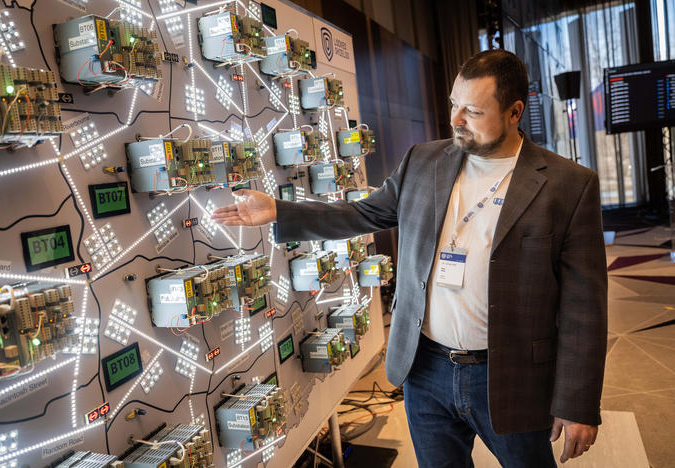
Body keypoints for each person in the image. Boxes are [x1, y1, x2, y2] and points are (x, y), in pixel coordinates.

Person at [212, 49, 607, 467]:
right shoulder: (423, 161)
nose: (455, 119)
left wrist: (578, 401)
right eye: (454, 103)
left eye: (472, 110)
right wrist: (280, 211)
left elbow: (585, 308)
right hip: (426, 369)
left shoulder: (568, 186)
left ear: (514, 112)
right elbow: (363, 212)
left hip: (511, 375)